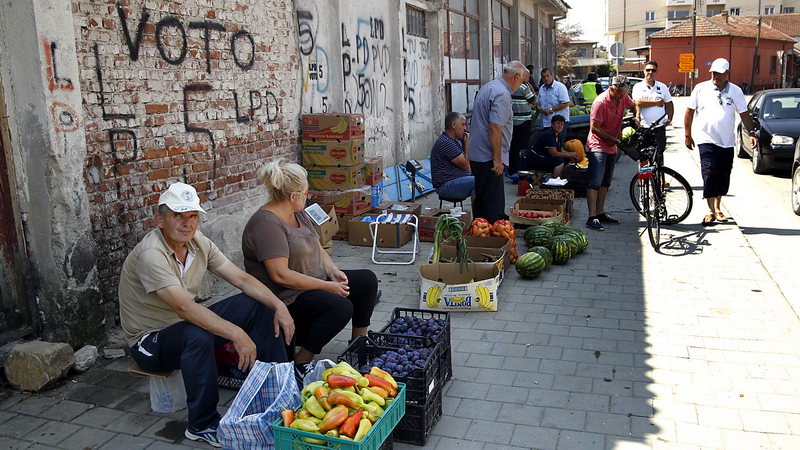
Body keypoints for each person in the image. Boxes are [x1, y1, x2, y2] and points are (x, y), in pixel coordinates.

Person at [119, 182, 293, 447]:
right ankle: (202, 424)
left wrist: (279, 306)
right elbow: (185, 309)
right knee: (197, 333)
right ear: (160, 219)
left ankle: (278, 394)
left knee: (257, 304)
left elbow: (241, 279)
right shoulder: (151, 254)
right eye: (178, 216)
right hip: (149, 344)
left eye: (192, 216)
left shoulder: (198, 242)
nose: (187, 223)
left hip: (184, 326)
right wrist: (237, 334)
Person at [242, 161, 378, 374]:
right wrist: (326, 287)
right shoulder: (266, 224)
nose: (309, 196)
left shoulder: (298, 212)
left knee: (366, 281)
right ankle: (300, 362)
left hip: (311, 282)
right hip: (285, 297)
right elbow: (280, 275)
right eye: (306, 193)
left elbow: (317, 246)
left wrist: (332, 270)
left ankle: (360, 344)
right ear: (293, 196)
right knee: (339, 307)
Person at [684, 58, 757, 226]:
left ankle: (718, 207)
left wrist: (752, 133)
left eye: (718, 73)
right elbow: (689, 112)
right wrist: (688, 134)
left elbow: (744, 114)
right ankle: (710, 211)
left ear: (726, 73)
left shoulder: (736, 91)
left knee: (724, 176)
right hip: (706, 139)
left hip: (726, 141)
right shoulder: (701, 88)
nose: (714, 76)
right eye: (713, 73)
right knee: (709, 173)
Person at [467, 61, 530, 222]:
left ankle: (480, 233)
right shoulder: (502, 93)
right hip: (489, 158)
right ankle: (490, 239)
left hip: (478, 154)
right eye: (522, 82)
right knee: (492, 205)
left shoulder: (489, 87)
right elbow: (495, 127)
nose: (520, 86)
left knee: (482, 200)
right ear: (516, 77)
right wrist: (497, 159)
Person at [585, 75, 635, 231]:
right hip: (598, 145)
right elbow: (595, 128)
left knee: (606, 182)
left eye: (625, 93)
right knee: (595, 182)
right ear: (613, 88)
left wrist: (637, 117)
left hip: (612, 145)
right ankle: (591, 217)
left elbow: (634, 105)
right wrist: (614, 139)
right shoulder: (600, 103)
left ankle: (600, 213)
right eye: (621, 93)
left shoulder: (623, 97)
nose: (623, 96)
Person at [632, 61, 673, 167]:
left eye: (653, 70)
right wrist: (657, 103)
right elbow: (638, 102)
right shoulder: (638, 86)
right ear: (643, 71)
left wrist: (669, 119)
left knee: (659, 156)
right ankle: (643, 182)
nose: (650, 72)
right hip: (644, 128)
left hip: (659, 128)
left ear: (656, 71)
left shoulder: (662, 87)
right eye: (648, 70)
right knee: (644, 158)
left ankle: (660, 182)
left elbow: (669, 104)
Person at [431, 112, 474, 203]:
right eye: (462, 124)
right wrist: (467, 144)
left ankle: (483, 215)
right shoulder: (446, 142)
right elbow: (466, 165)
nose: (465, 128)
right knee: (479, 182)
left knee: (483, 178)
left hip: (454, 181)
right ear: (453, 125)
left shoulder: (454, 141)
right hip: (446, 185)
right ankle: (478, 216)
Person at [520, 114, 579, 179]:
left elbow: (561, 150)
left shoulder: (558, 135)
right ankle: (555, 180)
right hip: (536, 158)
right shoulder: (548, 135)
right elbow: (554, 153)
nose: (560, 126)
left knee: (567, 159)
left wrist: (571, 154)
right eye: (558, 124)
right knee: (559, 161)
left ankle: (564, 179)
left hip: (545, 157)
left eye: (562, 124)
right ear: (552, 124)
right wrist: (570, 155)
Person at [509, 78, 537, 177]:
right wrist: (532, 90)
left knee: (513, 147)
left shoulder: (510, 87)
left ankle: (512, 170)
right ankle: (520, 171)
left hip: (512, 122)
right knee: (522, 148)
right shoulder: (524, 87)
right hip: (523, 122)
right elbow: (534, 102)